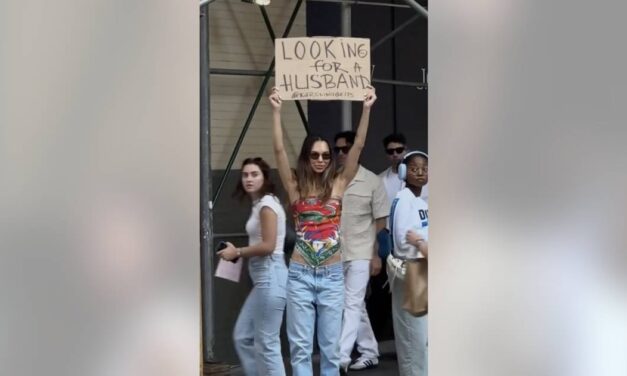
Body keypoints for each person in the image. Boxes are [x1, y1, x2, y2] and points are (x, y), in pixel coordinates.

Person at [269, 86, 377, 376]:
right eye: (315, 155)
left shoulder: (339, 184)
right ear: (307, 156)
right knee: (300, 348)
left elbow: (358, 146)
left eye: (326, 155)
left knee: (331, 349)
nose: (320, 160)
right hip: (300, 275)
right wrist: (277, 111)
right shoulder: (294, 186)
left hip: (331, 276)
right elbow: (279, 150)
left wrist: (366, 109)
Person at [217, 157, 288, 376]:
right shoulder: (260, 204)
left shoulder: (267, 206)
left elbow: (267, 246)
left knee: (267, 343)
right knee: (243, 336)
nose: (249, 178)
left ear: (265, 177)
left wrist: (237, 252)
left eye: (254, 174)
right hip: (263, 279)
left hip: (270, 274)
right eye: (245, 174)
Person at [333, 131, 389, 371]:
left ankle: (341, 357)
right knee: (351, 304)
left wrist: (375, 254)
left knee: (351, 302)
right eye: (338, 149)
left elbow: (381, 222)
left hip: (361, 252)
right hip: (335, 253)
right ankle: (369, 350)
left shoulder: (372, 181)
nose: (341, 153)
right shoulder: (332, 180)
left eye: (346, 148)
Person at [388, 151, 429, 376]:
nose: (420, 173)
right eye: (414, 168)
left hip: (421, 269)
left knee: (421, 339)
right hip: (413, 270)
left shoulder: (417, 200)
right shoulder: (404, 199)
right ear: (403, 172)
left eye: (424, 168)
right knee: (414, 340)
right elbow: (406, 243)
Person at [378, 133, 429, 204]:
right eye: (390, 151)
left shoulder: (423, 175)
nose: (395, 154)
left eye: (399, 150)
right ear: (386, 154)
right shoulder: (380, 179)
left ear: (406, 150)